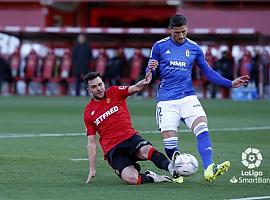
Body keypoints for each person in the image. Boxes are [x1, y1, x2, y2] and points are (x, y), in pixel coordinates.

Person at [147, 14, 250, 182]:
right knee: (170, 144)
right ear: (170, 30)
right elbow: (151, 71)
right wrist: (150, 72)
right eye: (177, 33)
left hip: (188, 97)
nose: (180, 36)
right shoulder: (159, 46)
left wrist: (230, 83)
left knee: (202, 129)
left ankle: (209, 168)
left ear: (187, 28)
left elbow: (207, 72)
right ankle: (176, 171)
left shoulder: (194, 48)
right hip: (166, 101)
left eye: (183, 32)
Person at [83, 72, 181, 185]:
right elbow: (91, 143)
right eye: (94, 87)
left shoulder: (115, 91)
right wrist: (92, 168)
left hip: (130, 138)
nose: (99, 89)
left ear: (104, 84)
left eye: (100, 84)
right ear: (89, 90)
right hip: (113, 149)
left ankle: (172, 168)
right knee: (131, 179)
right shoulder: (88, 112)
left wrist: (145, 81)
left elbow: (136, 88)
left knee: (147, 150)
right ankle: (152, 177)